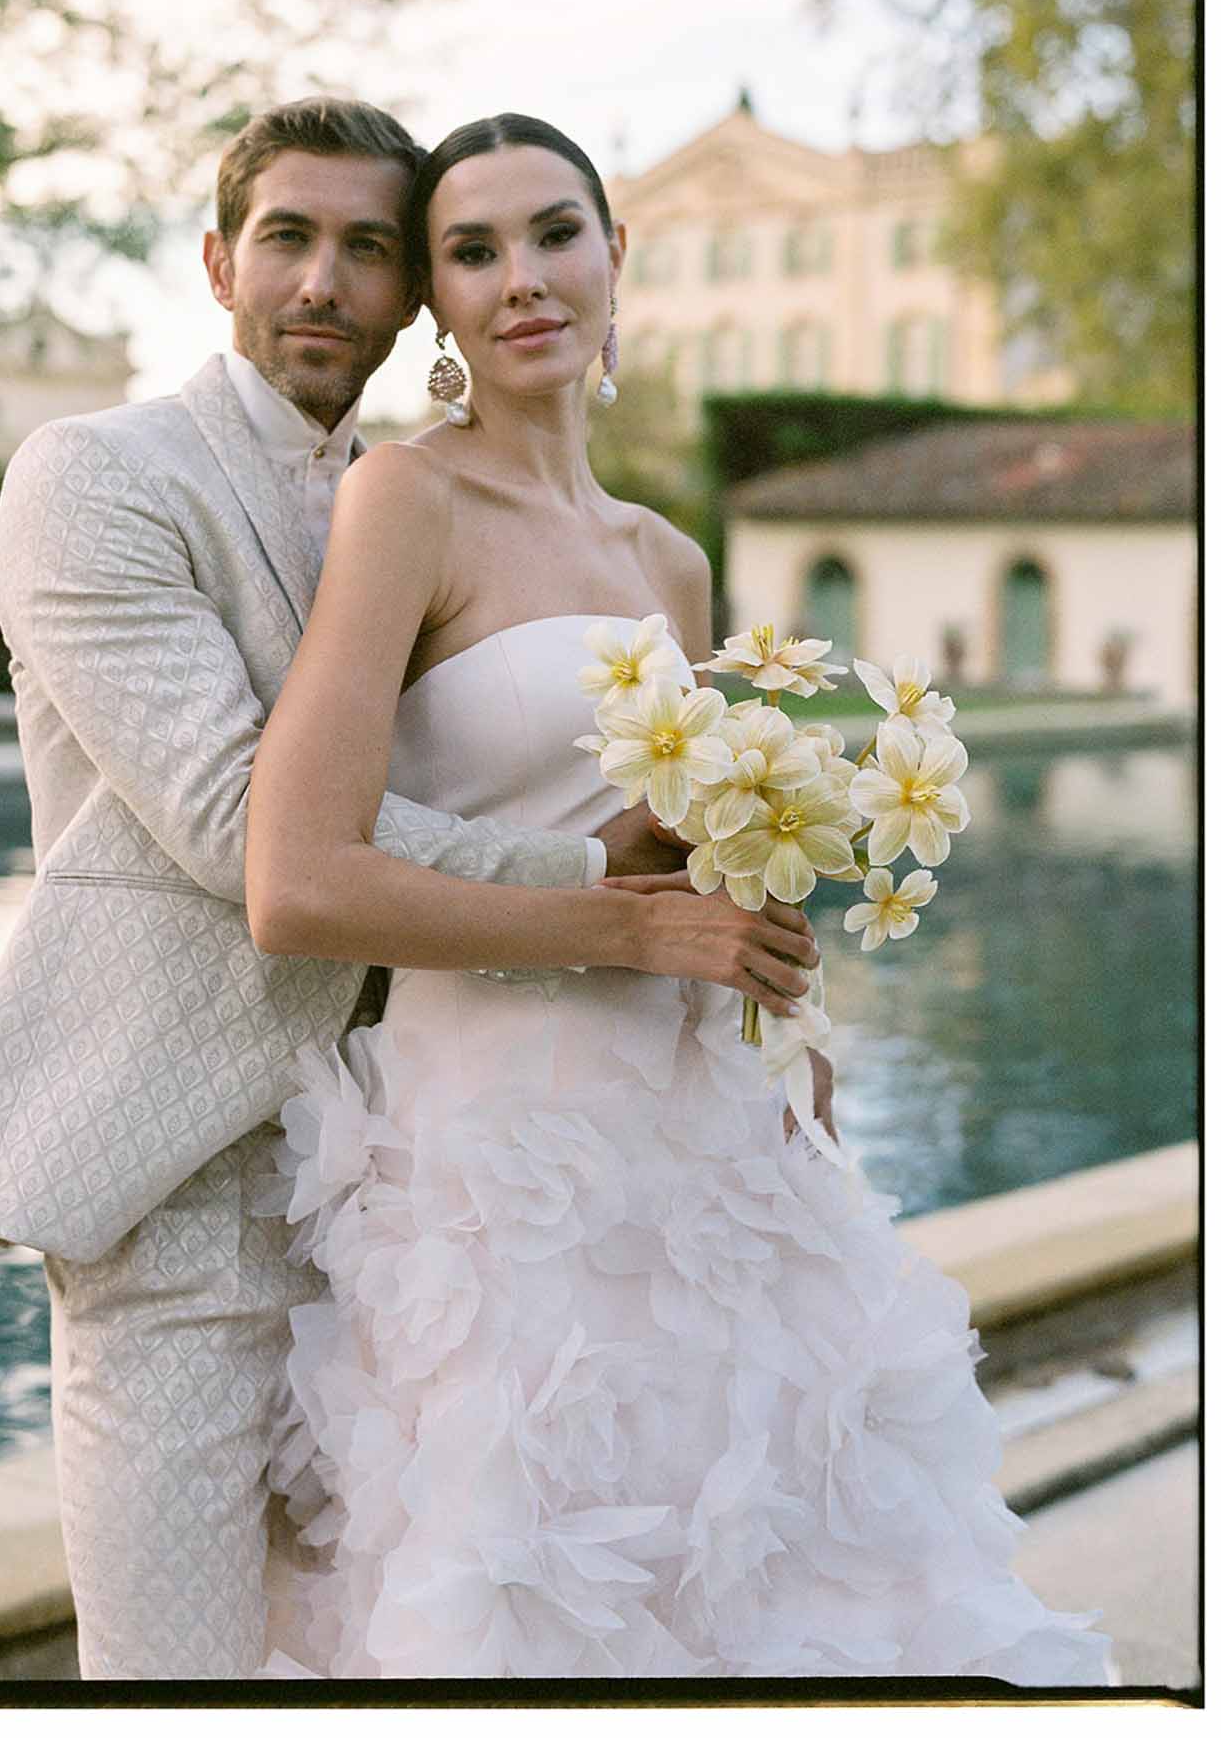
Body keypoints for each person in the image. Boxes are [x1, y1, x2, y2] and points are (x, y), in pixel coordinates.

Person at [0, 97, 821, 1680]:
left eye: (367, 249)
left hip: (414, 1174)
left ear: (411, 301)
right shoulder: (96, 477)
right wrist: (600, 886)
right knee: (180, 1677)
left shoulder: (432, 493)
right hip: (181, 1172)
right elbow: (235, 823)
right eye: (286, 239)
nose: (324, 281)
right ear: (216, 261)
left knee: (417, 1653)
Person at [242, 112, 1113, 1683]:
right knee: (527, 1588)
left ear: (615, 256)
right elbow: (297, 883)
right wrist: (623, 923)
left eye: (554, 233)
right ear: (437, 305)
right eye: (472, 250)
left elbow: (688, 853)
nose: (523, 279)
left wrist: (790, 1012)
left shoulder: (670, 560)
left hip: (707, 1126)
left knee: (769, 1565)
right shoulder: (404, 505)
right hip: (503, 1144)